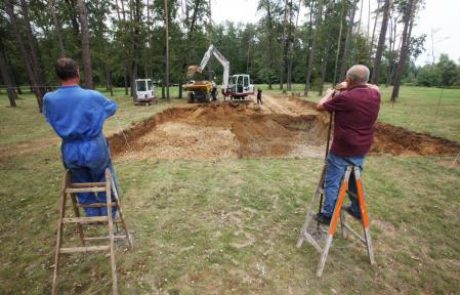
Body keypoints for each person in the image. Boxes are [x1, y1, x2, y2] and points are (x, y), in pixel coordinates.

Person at [43, 57, 118, 217]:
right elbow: (112, 108)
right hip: (94, 146)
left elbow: (49, 118)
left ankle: (93, 215)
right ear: (77, 72)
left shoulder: (49, 99)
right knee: (104, 179)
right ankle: (109, 214)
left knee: (80, 183)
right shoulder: (92, 96)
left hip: (70, 148)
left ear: (59, 76)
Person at [315, 64, 380, 225]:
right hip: (361, 149)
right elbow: (373, 86)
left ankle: (328, 214)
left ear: (349, 80)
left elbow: (320, 106)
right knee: (352, 179)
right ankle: (357, 209)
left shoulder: (345, 98)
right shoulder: (375, 94)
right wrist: (350, 85)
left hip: (342, 150)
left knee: (332, 182)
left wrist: (329, 93)